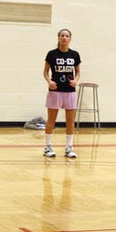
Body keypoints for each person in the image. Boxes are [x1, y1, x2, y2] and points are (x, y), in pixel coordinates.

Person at [43, 28, 81, 159]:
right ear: (58, 38)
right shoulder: (52, 54)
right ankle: (48, 147)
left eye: (67, 36)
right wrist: (49, 81)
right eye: (62, 35)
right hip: (55, 91)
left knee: (70, 121)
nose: (64, 38)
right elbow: (45, 72)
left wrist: (76, 81)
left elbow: (78, 72)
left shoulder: (75, 54)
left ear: (70, 39)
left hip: (70, 91)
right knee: (51, 120)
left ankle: (69, 148)